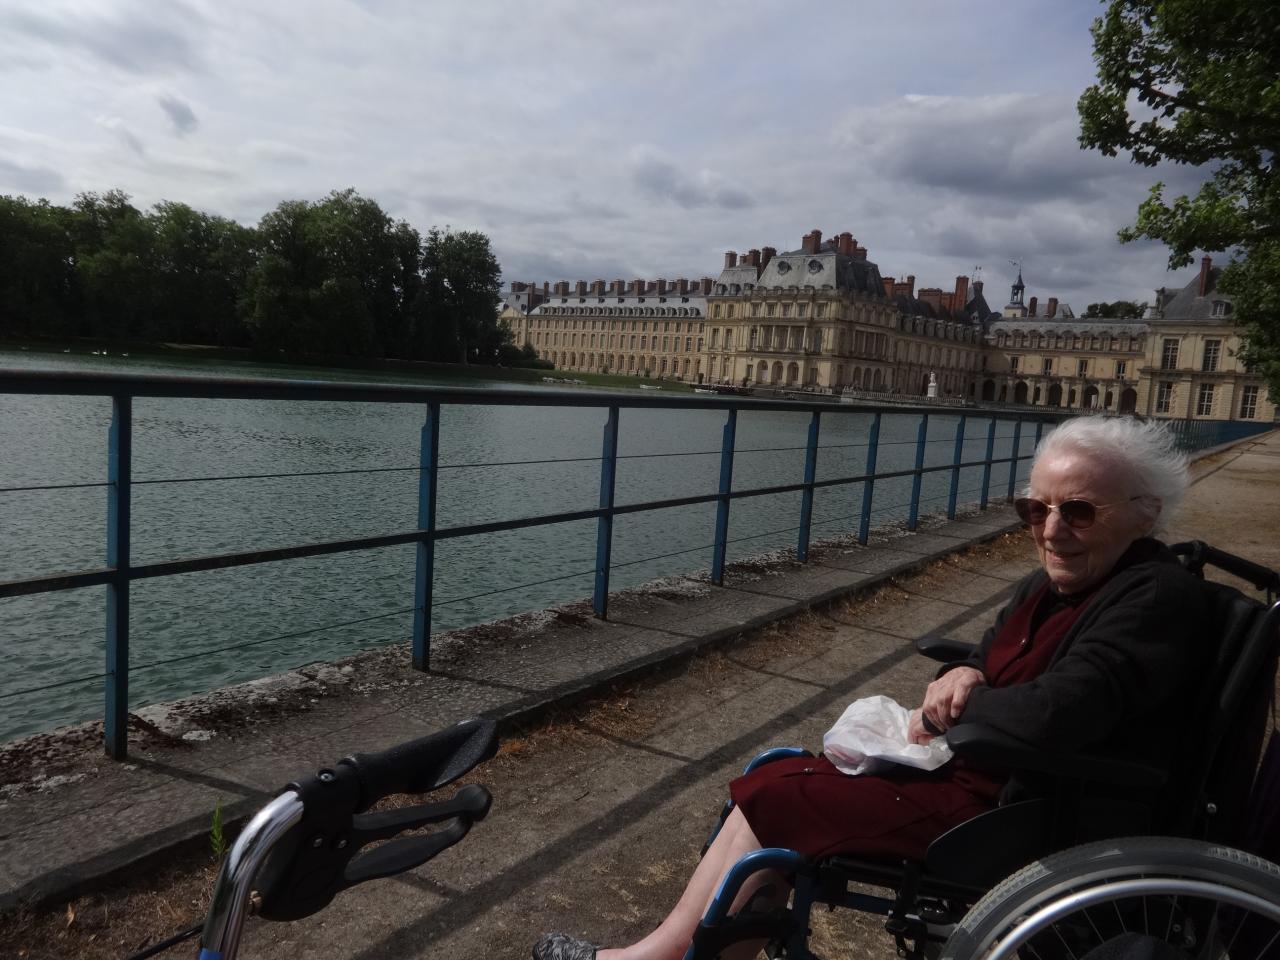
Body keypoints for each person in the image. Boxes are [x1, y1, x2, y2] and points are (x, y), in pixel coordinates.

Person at [533, 416, 1206, 960]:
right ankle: (687, 950)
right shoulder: (1061, 581)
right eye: (1035, 507)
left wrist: (961, 707)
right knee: (778, 771)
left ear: (1143, 514)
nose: (1051, 529)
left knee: (777, 792)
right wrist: (965, 669)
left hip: (1017, 808)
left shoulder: (1154, 597)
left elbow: (1067, 710)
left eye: (1080, 512)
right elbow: (987, 653)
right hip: (986, 778)